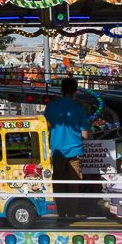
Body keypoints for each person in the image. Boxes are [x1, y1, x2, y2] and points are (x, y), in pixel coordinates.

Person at [45, 77, 90, 219]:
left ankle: (61, 212)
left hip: (57, 151)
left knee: (58, 181)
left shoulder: (51, 107)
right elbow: (85, 135)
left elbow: (46, 127)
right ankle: (71, 212)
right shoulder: (79, 109)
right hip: (75, 151)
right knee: (73, 183)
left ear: (61, 90)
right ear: (75, 91)